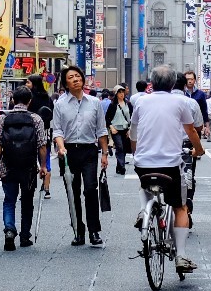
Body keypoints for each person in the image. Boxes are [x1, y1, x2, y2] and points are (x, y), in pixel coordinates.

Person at [131, 64, 205, 274]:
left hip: (143, 163)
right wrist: (199, 150)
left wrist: (136, 152)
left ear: (151, 84)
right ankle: (180, 255)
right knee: (180, 206)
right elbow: (190, 131)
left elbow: (133, 130)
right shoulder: (181, 101)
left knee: (144, 184)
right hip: (171, 164)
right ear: (173, 83)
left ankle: (144, 210)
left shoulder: (141, 101)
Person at [52, 66, 110, 246]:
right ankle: (78, 231)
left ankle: (94, 231)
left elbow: (101, 129)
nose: (76, 79)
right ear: (66, 83)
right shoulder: (60, 104)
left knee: (90, 189)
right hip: (69, 152)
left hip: (89, 151)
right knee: (73, 192)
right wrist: (61, 147)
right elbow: (58, 130)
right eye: (71, 77)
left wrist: (105, 153)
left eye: (78, 76)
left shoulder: (94, 103)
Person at [0, 85, 50, 250]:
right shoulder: (36, 119)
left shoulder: (3, 119)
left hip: (8, 165)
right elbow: (42, 145)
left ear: (12, 100)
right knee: (27, 201)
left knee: (9, 200)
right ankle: (25, 236)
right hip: (29, 167)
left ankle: (9, 229)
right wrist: (43, 166)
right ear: (29, 101)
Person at [28, 76, 56, 197]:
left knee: (30, 162)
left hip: (29, 133)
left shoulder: (28, 98)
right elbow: (51, 113)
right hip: (44, 133)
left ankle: (28, 187)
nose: (26, 84)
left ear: (34, 84)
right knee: (45, 161)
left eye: (28, 82)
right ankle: (46, 188)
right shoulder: (47, 98)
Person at [106, 86, 134, 175]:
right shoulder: (112, 105)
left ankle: (119, 166)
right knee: (120, 147)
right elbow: (107, 118)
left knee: (124, 148)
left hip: (125, 129)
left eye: (123, 92)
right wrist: (111, 127)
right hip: (116, 129)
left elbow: (133, 117)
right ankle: (122, 167)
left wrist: (130, 129)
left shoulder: (128, 104)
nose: (122, 94)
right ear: (116, 94)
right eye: (120, 92)